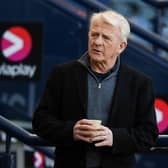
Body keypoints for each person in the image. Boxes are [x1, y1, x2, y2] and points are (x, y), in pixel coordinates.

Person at [32, 10, 158, 168]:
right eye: (94, 34)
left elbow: (148, 134)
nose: (97, 42)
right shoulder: (62, 74)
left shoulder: (140, 83)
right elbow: (40, 121)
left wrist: (114, 137)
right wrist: (72, 131)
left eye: (106, 38)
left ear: (121, 46)